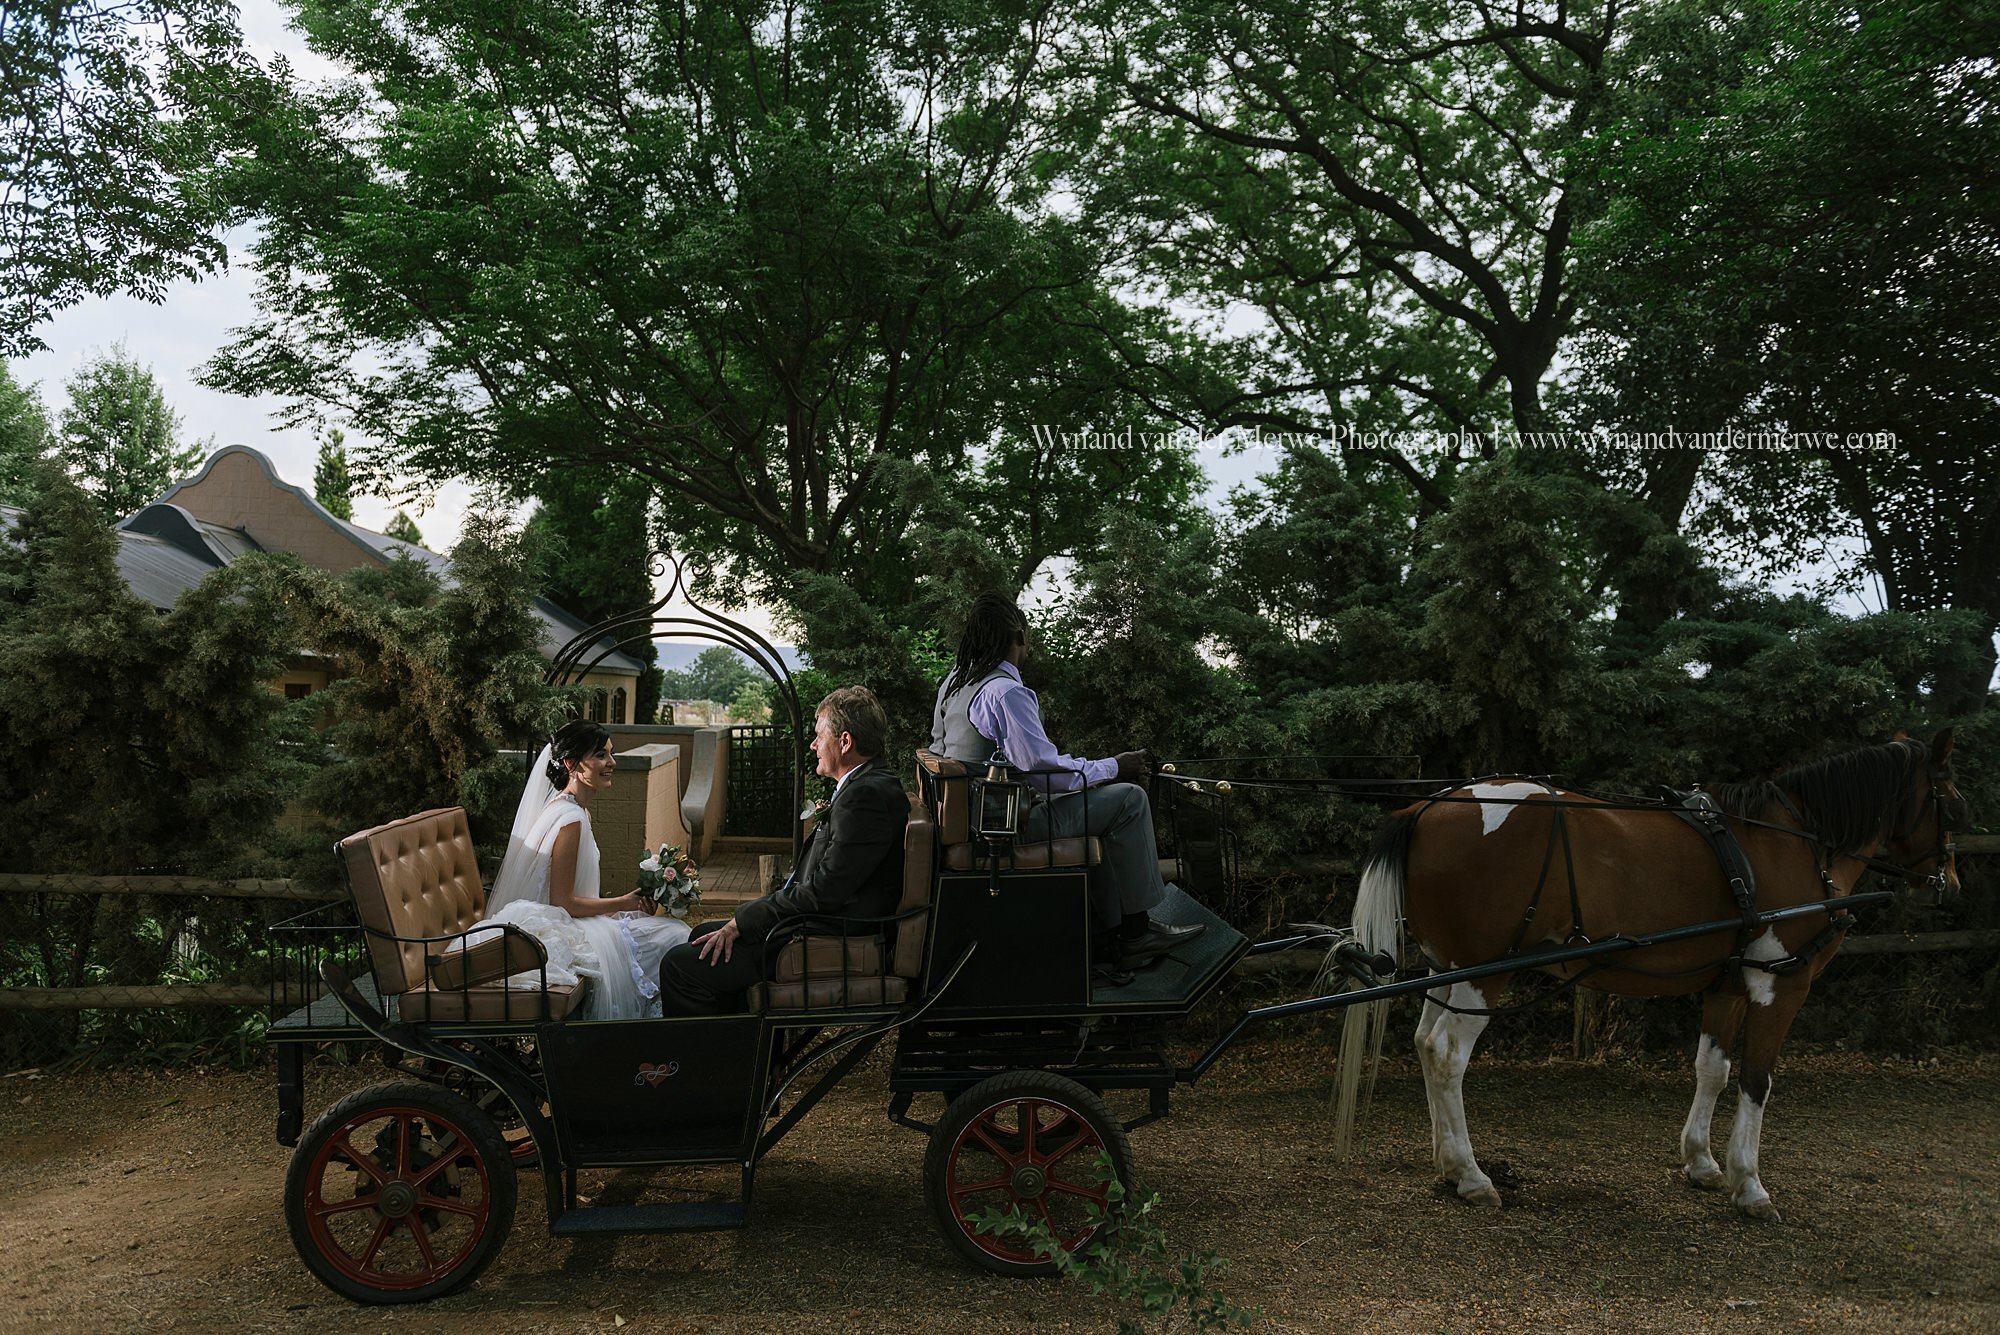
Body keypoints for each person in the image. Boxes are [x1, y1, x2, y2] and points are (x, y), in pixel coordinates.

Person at [929, 592, 1202, 969]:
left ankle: (1112, 930)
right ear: (1019, 635)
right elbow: (1047, 774)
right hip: (1003, 832)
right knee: (1128, 799)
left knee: (1100, 801)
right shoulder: (1005, 692)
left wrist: (1096, 773)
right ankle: (1137, 934)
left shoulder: (955, 684)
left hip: (973, 824)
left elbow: (943, 749)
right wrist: (1115, 766)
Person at [658, 686, 907, 1016]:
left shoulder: (865, 798)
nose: (814, 745)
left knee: (679, 965)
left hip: (830, 931)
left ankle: (714, 1063)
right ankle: (747, 1054)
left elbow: (824, 893)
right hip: (825, 919)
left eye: (820, 736)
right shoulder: (869, 785)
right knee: (703, 935)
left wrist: (745, 920)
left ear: (845, 742)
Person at [454, 719, 691, 1020]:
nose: (612, 763)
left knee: (670, 932)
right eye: (601, 755)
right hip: (565, 926)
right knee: (675, 937)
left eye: (611, 753)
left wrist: (625, 907)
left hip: (574, 920)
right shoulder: (570, 821)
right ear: (572, 764)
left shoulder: (575, 811)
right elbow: (563, 903)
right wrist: (624, 902)